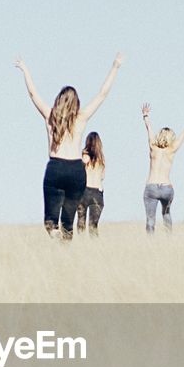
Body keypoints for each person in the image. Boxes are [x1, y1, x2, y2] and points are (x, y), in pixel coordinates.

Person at [15, 53, 123, 241]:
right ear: (76, 103)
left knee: (50, 220)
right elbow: (102, 94)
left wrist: (25, 70)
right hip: (76, 170)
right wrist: (115, 67)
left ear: (59, 100)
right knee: (68, 222)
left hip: (56, 168)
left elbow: (33, 94)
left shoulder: (50, 116)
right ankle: (65, 249)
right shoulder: (81, 119)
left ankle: (53, 231)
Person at [141, 102, 184, 234]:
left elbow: (149, 128)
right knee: (166, 214)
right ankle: (168, 238)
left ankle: (150, 242)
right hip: (167, 187)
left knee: (150, 219)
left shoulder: (153, 147)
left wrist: (146, 115)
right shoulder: (172, 149)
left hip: (152, 187)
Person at [76, 132, 105, 237]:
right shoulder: (102, 159)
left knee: (81, 221)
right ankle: (94, 247)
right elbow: (102, 177)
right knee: (94, 225)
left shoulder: (85, 155)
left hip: (85, 190)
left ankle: (81, 244)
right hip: (98, 192)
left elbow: (79, 170)